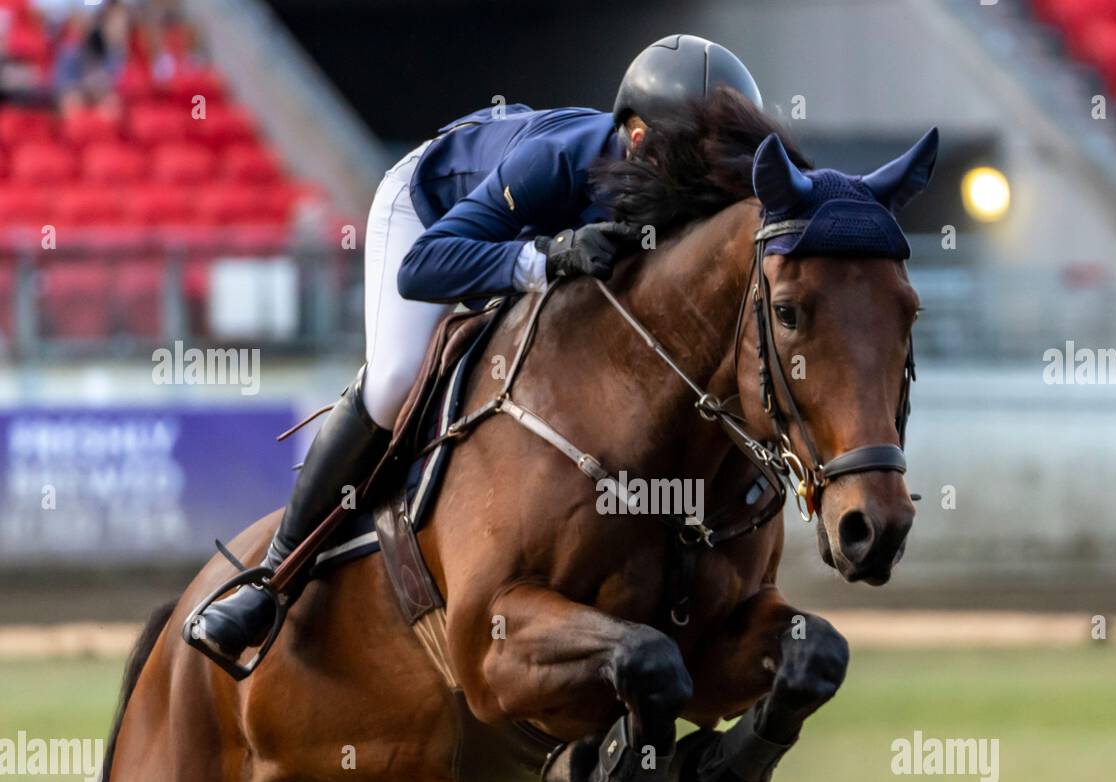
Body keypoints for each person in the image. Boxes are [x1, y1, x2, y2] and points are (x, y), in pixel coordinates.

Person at [187, 34, 764, 669]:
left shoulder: (694, 183)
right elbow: (423, 267)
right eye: (697, 160)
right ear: (636, 139)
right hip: (429, 211)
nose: (708, 185)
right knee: (394, 381)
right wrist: (545, 256)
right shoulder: (559, 163)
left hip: (521, 248)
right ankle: (273, 579)